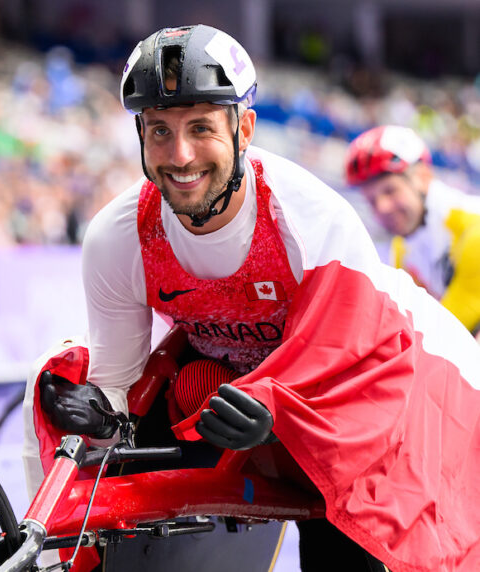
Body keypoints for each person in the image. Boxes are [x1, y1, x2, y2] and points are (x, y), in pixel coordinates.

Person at [23, 24, 480, 572]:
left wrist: (281, 405)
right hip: (241, 393)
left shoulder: (313, 220)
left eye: (200, 128)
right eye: (160, 132)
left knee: (348, 540)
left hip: (391, 382)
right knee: (61, 382)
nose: (181, 155)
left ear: (244, 129)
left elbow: (365, 364)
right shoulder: (116, 238)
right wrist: (102, 414)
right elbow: (120, 382)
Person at [344, 124, 480, 340]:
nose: (382, 207)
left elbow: (444, 339)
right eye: (371, 200)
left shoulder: (474, 231)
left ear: (423, 177)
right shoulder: (401, 249)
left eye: (390, 190)